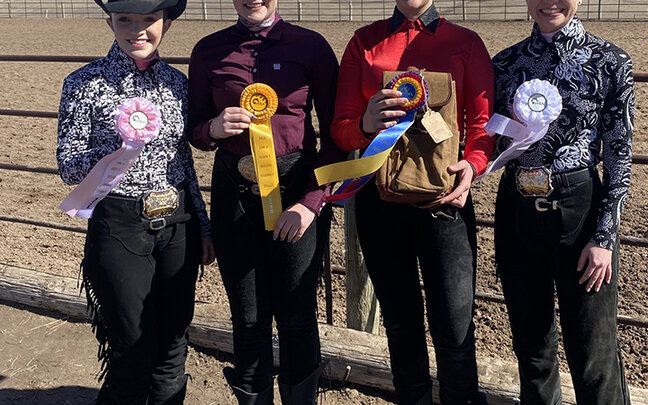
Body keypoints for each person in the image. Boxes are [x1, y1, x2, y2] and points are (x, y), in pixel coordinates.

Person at [331, 0, 495, 403]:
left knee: (454, 327)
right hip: (380, 205)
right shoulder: (363, 43)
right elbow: (341, 130)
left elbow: (482, 126)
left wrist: (473, 165)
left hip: (446, 205)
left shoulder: (466, 43)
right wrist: (366, 123)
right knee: (401, 324)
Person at [56, 0, 214, 404]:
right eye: (125, 19)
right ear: (110, 20)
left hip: (177, 222)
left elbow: (184, 161)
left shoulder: (178, 85)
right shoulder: (84, 83)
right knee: (131, 349)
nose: (137, 30)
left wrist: (203, 224)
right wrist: (119, 148)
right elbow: (69, 167)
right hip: (120, 223)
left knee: (173, 348)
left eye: (149, 19)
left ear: (167, 23)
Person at [187, 0, 343, 403]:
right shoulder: (208, 49)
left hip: (296, 191)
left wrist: (311, 201)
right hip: (234, 194)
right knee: (248, 317)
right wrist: (215, 128)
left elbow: (336, 136)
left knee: (296, 315)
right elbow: (196, 131)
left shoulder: (311, 46)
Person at [492, 0, 635, 403]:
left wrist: (604, 238)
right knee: (531, 346)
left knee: (593, 351)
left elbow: (618, 156)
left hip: (582, 214)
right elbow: (489, 139)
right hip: (518, 211)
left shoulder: (610, 62)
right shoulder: (505, 64)